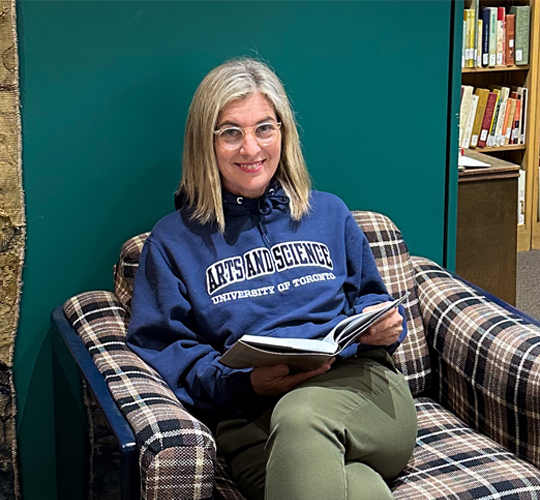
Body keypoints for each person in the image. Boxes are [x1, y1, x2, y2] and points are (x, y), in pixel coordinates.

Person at [127, 57, 417, 500]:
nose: (251, 149)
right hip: (253, 427)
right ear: (204, 143)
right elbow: (165, 349)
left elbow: (369, 302)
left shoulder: (330, 214)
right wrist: (242, 382)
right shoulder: (172, 242)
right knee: (359, 490)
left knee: (301, 417)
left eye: (264, 128)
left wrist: (379, 326)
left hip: (364, 396)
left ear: (283, 132)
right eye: (231, 133)